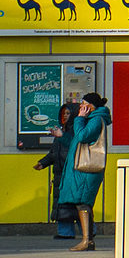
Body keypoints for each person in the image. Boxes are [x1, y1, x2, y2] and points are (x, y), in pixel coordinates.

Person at [55, 92, 111, 252]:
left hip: (87, 169)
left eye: (83, 103)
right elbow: (76, 143)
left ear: (91, 106)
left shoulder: (95, 120)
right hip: (82, 169)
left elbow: (82, 136)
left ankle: (87, 240)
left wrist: (79, 118)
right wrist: (62, 136)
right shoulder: (92, 120)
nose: (80, 106)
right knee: (82, 202)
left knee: (83, 203)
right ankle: (88, 240)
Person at [31, 102, 78, 240]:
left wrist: (62, 136)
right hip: (60, 175)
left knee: (77, 205)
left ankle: (87, 230)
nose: (65, 116)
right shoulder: (61, 132)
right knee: (62, 205)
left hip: (71, 173)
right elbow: (53, 153)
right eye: (64, 113)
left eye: (68, 113)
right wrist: (43, 163)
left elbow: (75, 150)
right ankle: (65, 232)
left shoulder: (75, 132)